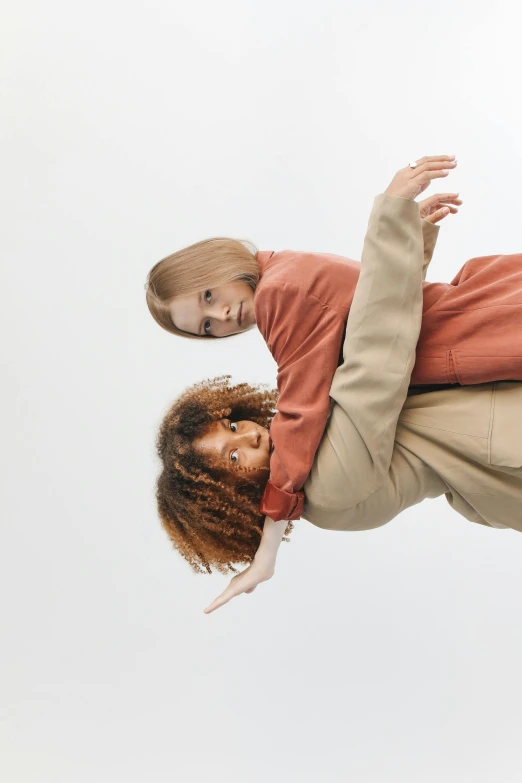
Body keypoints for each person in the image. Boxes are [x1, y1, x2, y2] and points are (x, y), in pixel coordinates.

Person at [155, 173, 522, 613]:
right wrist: (399, 231)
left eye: (232, 426)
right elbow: (370, 347)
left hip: (477, 342)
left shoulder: (277, 291)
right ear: (229, 498)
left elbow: (365, 335)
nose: (249, 436)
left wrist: (400, 229)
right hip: (484, 362)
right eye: (232, 458)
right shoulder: (324, 488)